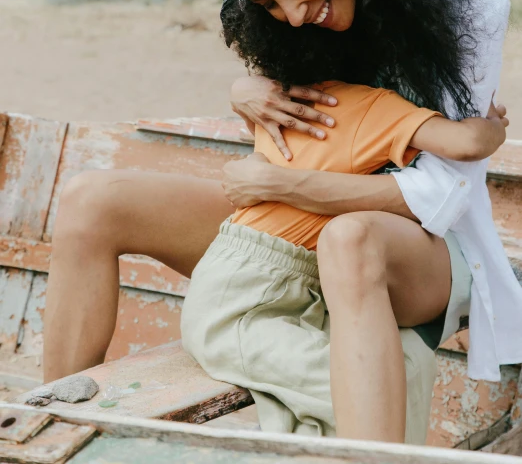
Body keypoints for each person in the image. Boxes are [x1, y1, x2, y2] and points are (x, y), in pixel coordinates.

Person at [43, 0, 522, 443]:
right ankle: (53, 432)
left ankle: (371, 455)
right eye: (268, 3)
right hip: (291, 243)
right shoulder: (291, 18)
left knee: (350, 239)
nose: (293, 16)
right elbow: (306, 135)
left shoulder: (467, 3)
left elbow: (442, 192)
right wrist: (247, 90)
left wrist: (282, 185)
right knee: (93, 199)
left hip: (415, 252)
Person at [181, 79, 507, 442]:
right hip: (247, 281)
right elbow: (467, 143)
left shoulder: (322, 101)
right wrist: (493, 125)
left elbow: (461, 154)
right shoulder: (326, 100)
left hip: (287, 265)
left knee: (369, 385)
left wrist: (271, 172)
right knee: (373, 384)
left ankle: (375, 439)